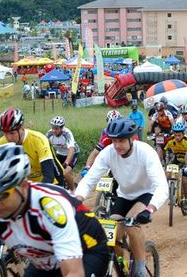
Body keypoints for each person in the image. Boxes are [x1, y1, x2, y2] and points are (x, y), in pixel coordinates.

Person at [0, 144, 109, 277]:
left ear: (23, 186)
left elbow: (73, 272)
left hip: (87, 251)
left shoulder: (50, 207)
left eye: (1, 196)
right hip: (46, 259)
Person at [75, 118, 168, 277]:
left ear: (132, 138)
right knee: (110, 236)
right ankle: (120, 266)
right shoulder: (108, 153)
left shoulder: (146, 152)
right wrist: (76, 200)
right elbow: (90, 180)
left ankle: (140, 270)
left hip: (146, 194)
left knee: (131, 226)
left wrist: (150, 209)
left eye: (122, 141)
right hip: (124, 196)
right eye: (114, 141)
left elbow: (161, 185)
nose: (117, 145)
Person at [0, 108, 63, 185]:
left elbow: (49, 176)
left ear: (22, 127)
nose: (8, 138)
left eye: (12, 133)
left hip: (47, 183)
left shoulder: (39, 140)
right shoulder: (2, 142)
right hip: (26, 186)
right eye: (5, 133)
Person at [163, 122, 187, 210]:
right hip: (177, 159)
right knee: (168, 173)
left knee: (185, 181)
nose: (177, 137)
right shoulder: (170, 140)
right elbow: (163, 150)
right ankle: (171, 190)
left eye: (179, 135)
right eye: (175, 135)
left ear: (183, 134)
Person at [46, 116, 80, 191]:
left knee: (66, 172)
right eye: (53, 128)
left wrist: (66, 163)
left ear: (62, 128)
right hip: (60, 153)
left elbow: (71, 150)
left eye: (56, 128)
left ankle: (73, 191)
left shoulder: (67, 134)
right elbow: (46, 148)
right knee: (53, 172)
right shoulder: (49, 134)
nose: (54, 131)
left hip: (73, 154)